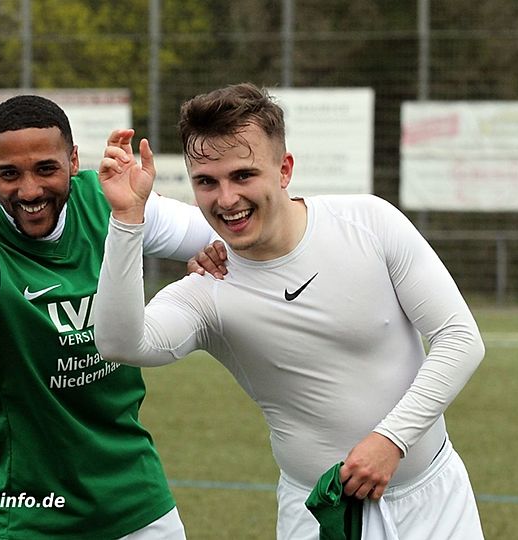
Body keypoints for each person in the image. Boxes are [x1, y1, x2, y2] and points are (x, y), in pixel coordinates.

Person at [93, 83, 486, 539]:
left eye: (243, 175)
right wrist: (126, 218)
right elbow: (120, 343)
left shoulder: (369, 222)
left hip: (434, 504)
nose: (225, 199)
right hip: (315, 515)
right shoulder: (207, 290)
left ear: (284, 169)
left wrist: (391, 439)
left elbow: (460, 338)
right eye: (207, 181)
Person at [0, 95, 219, 539]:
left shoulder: (109, 202)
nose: (30, 190)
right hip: (27, 513)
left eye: (46, 168)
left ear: (73, 160)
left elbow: (223, 231)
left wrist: (215, 256)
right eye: (9, 174)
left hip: (137, 499)